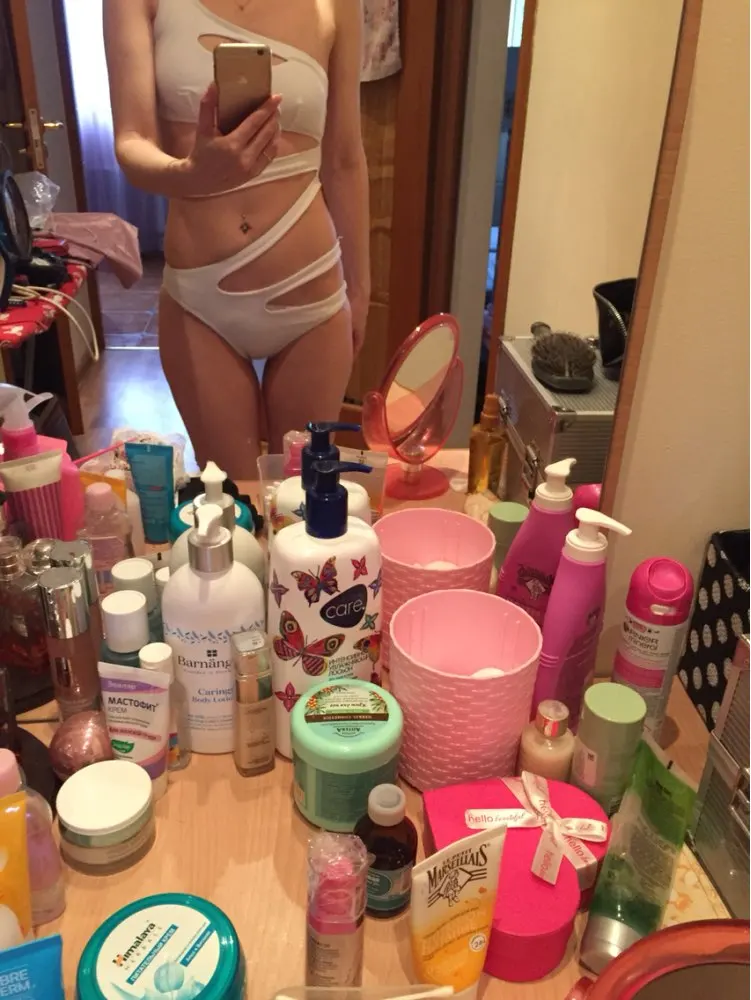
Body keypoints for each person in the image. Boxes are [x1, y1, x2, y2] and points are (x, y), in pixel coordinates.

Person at [104, 0, 370, 478]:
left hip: (311, 293)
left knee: (305, 499)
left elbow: (345, 158)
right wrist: (192, 173)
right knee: (229, 501)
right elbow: (131, 140)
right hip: (199, 304)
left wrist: (362, 290)